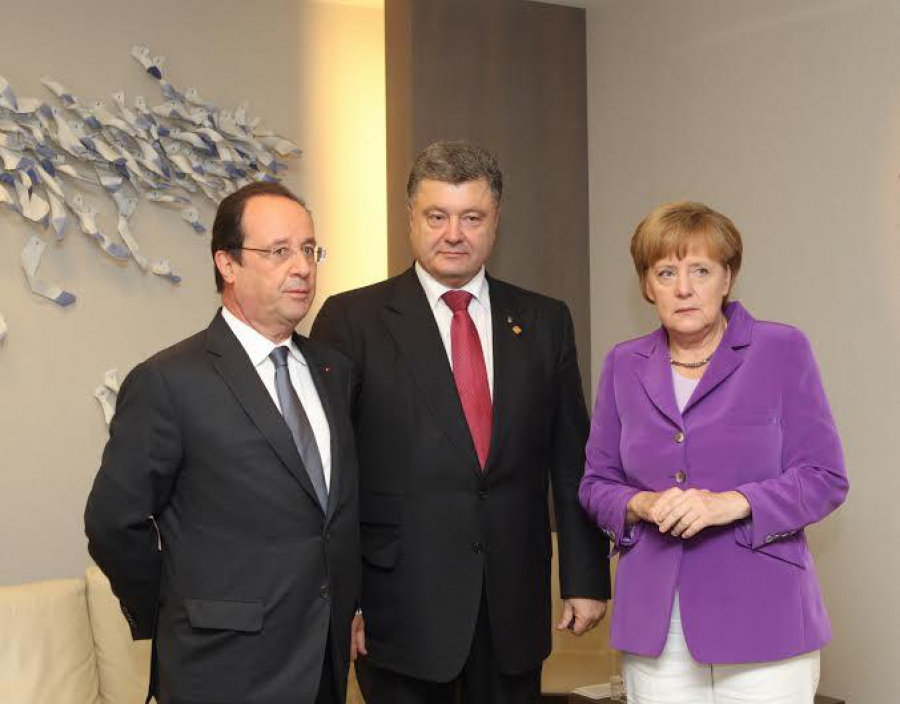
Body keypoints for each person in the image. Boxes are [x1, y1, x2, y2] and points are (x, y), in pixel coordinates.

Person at [310, 140, 609, 704]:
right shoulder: (351, 320)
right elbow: (331, 475)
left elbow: (572, 459)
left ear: (495, 222)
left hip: (512, 605)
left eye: (471, 217)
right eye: (437, 216)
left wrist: (585, 578)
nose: (454, 234)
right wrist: (343, 598)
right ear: (410, 218)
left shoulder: (545, 320)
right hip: (397, 609)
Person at [84, 182, 360, 704]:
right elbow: (112, 522)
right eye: (279, 251)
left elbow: (332, 517)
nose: (302, 267)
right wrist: (174, 607)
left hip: (322, 663)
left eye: (309, 249)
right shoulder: (169, 381)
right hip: (221, 668)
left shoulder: (334, 372)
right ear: (227, 264)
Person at [579, 201, 849, 704]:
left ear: (728, 278)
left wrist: (731, 502)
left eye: (700, 270)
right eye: (666, 272)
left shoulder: (781, 349)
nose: (683, 288)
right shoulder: (623, 363)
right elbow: (596, 483)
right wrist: (642, 504)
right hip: (656, 628)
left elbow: (824, 477)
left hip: (765, 618)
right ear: (647, 285)